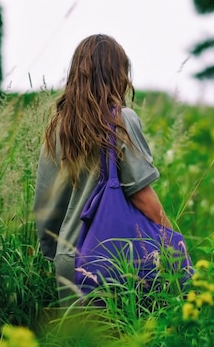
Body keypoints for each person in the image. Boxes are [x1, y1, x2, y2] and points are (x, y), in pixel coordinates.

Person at [33, 33, 173, 306]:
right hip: (115, 259)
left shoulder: (57, 129)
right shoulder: (121, 120)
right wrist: (173, 242)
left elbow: (45, 207)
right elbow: (141, 195)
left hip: (69, 262)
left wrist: (58, 255)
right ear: (117, 74)